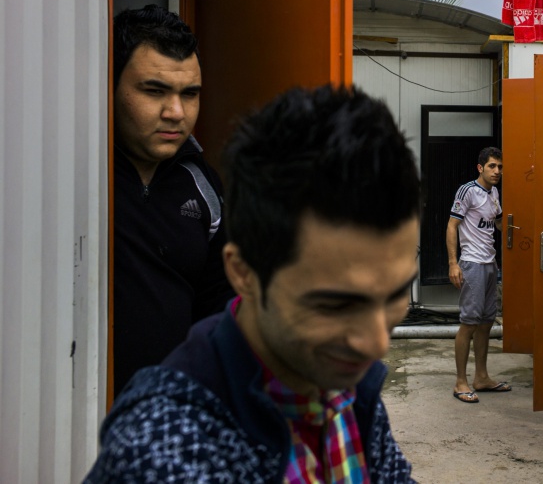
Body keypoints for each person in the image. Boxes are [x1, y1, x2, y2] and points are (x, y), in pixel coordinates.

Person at [86, 85, 418, 482]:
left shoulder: (344, 383)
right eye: (335, 305)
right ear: (243, 273)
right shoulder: (163, 453)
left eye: (396, 294)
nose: (376, 343)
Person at [112, 4, 234, 394]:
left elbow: (220, 305)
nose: (176, 113)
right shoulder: (69, 179)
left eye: (190, 94)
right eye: (154, 90)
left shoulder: (202, 183)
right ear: (108, 85)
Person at [447, 147, 510, 403]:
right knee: (469, 323)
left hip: (490, 263)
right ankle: (460, 382)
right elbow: (452, 225)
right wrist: (453, 263)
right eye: (492, 166)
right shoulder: (468, 190)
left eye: (500, 167)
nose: (497, 172)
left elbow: (496, 222)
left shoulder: (494, 192)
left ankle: (481, 377)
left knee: (485, 322)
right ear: (480, 167)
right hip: (471, 263)